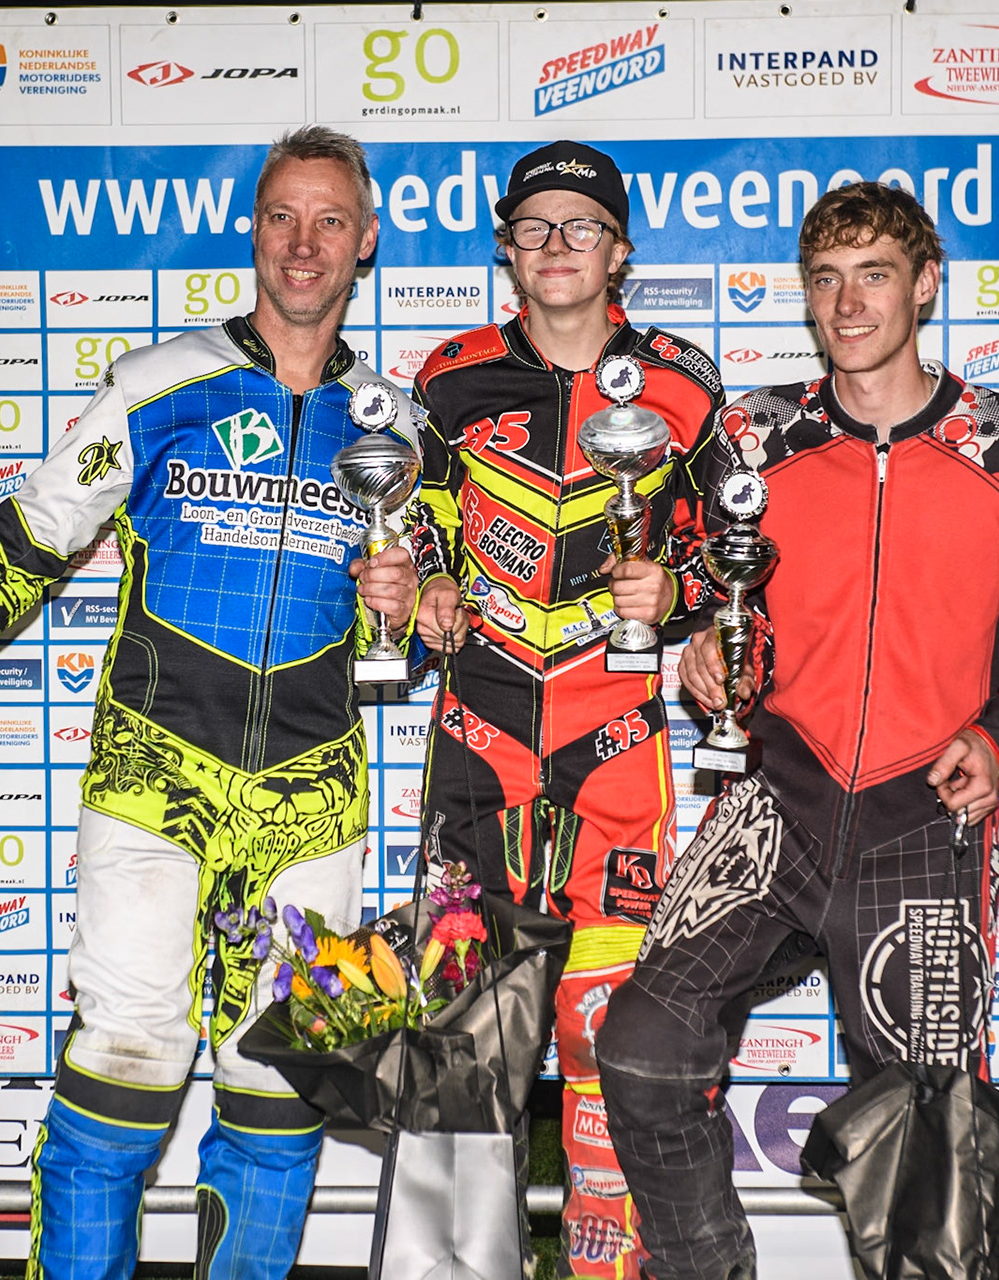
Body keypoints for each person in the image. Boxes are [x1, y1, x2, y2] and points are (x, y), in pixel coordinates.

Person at [0, 126, 416, 1280]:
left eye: (330, 220)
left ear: (366, 242)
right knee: (129, 1053)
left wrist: (414, 601)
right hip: (157, 771)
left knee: (281, 1076)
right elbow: (26, 544)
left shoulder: (397, 425)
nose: (305, 243)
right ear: (254, 230)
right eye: (284, 216)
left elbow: (423, 618)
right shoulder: (156, 382)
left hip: (315, 793)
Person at [594, 182, 999, 1279]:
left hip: (921, 822)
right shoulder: (751, 435)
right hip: (776, 803)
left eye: (873, 272)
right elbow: (705, 593)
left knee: (918, 1148)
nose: (847, 300)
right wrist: (699, 647)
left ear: (925, 283)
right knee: (642, 1046)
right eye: (825, 278)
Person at [360, 140, 725, 1279]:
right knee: (463, 1044)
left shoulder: (685, 382)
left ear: (621, 247)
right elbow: (412, 515)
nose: (557, 246)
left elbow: (736, 555)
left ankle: (605, 1267)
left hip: (619, 746)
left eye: (581, 226)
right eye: (534, 227)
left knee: (605, 1039)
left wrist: (685, 595)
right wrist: (420, 579)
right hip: (479, 739)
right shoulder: (449, 374)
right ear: (507, 248)